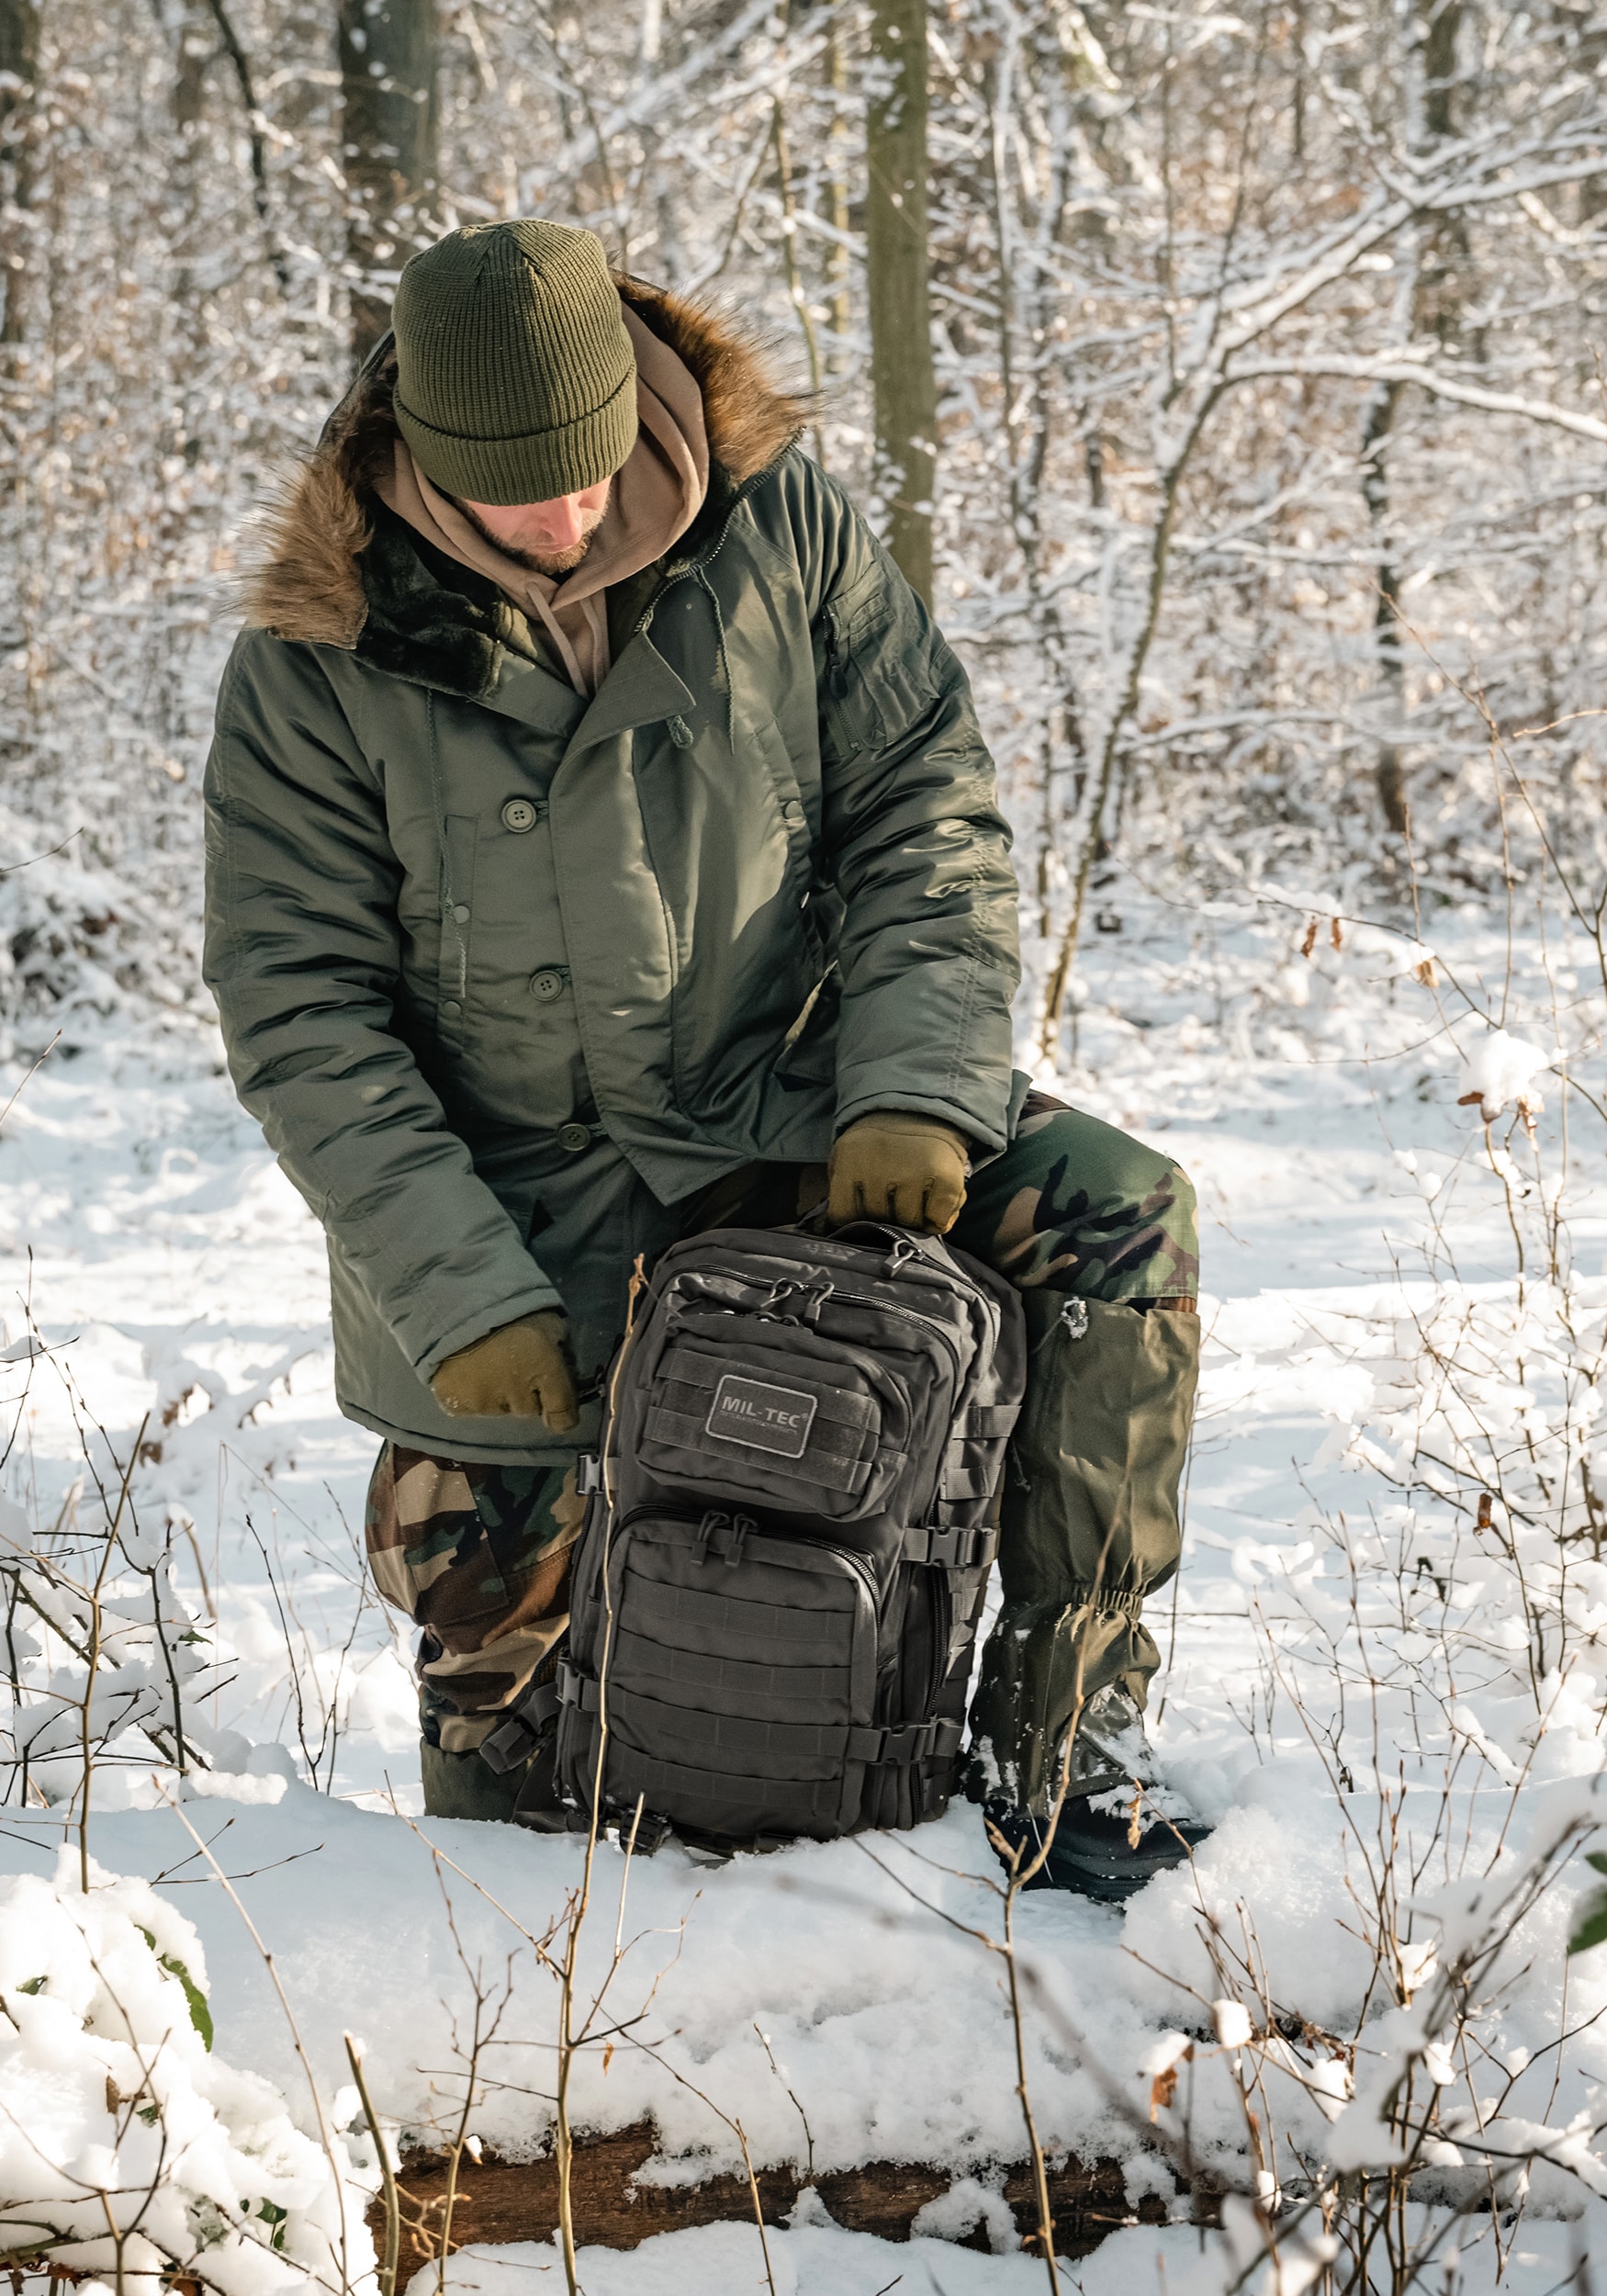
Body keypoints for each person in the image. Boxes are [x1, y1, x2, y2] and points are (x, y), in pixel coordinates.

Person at [201, 219, 1203, 1899]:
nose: (570, 519)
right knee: (516, 1825)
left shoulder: (774, 522)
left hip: (790, 1101)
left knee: (1118, 1214)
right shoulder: (321, 656)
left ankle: (1062, 1754)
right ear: (420, 461)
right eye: (519, 494)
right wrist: (464, 1297)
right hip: (509, 1199)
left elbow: (920, 811)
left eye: (592, 471)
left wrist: (912, 1089)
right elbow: (302, 1014)